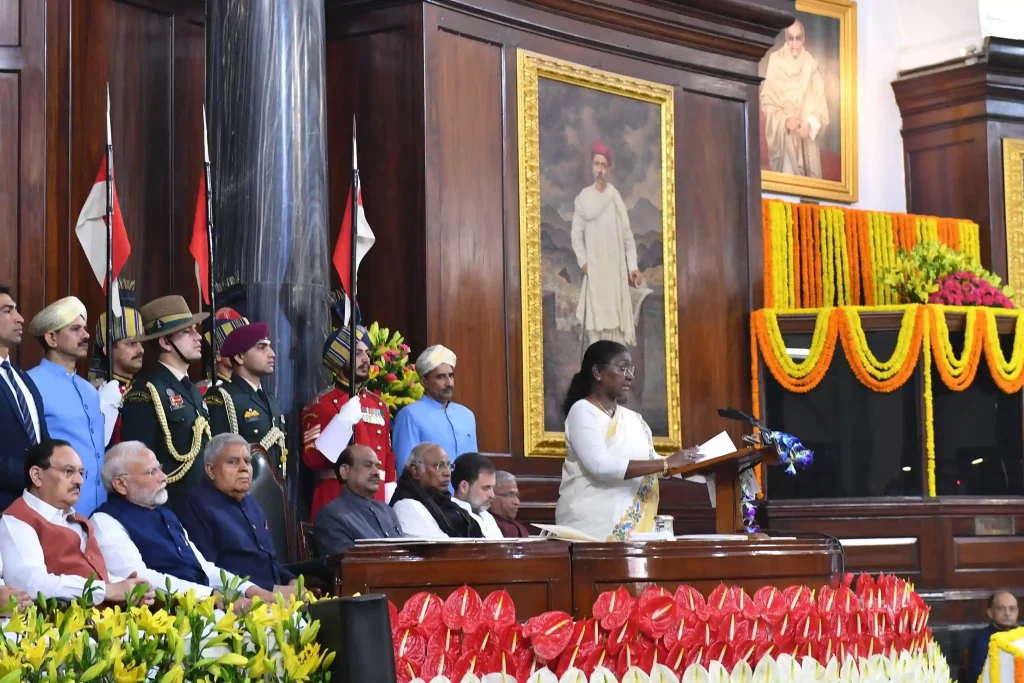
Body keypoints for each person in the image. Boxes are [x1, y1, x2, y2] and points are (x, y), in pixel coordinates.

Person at [91, 441, 275, 608]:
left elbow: (204, 568)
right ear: (121, 484)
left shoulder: (166, 514)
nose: (163, 477)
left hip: (207, 605)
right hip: (169, 616)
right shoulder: (105, 521)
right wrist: (211, 597)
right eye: (151, 472)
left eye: (160, 469)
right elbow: (140, 581)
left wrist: (250, 589)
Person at [555, 340, 696, 541]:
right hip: (592, 529)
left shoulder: (632, 418)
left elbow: (651, 461)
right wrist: (666, 463)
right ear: (598, 372)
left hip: (633, 532)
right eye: (622, 368)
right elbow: (600, 466)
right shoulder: (583, 411)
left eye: (631, 369)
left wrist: (694, 463)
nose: (630, 376)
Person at [0, 439, 154, 605]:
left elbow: (98, 577)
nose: (79, 480)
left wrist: (128, 588)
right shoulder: (16, 520)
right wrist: (107, 591)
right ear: (37, 476)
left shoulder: (79, 521)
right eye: (68, 471)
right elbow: (32, 584)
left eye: (81, 473)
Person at [174, 434, 297, 595]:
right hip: (240, 601)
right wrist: (272, 589)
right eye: (232, 462)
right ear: (211, 471)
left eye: (247, 461)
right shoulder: (195, 505)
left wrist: (292, 580)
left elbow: (267, 561)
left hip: (278, 595)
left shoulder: (252, 504)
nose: (244, 468)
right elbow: (208, 571)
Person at [120, 296, 212, 500]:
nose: (198, 337)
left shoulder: (192, 390)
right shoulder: (146, 391)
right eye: (187, 331)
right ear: (164, 342)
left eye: (195, 330)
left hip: (201, 503)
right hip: (170, 504)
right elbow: (137, 463)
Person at [302, 325, 395, 518]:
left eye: (367, 353)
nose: (366, 359)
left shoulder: (378, 405)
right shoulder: (320, 404)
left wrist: (390, 499)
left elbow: (387, 458)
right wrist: (341, 424)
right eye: (357, 353)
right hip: (338, 498)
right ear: (339, 358)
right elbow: (312, 459)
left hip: (376, 499)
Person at [27, 297, 108, 516]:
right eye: (75, 329)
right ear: (51, 338)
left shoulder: (89, 390)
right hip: (58, 511)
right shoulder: (30, 384)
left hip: (101, 510)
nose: (86, 335)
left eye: (85, 328)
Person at [571, 141, 643, 348]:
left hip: (614, 276)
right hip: (595, 275)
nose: (600, 170)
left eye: (604, 165)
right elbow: (576, 236)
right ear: (592, 167)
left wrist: (633, 267)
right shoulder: (584, 199)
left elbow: (628, 238)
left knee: (616, 339)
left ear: (609, 169)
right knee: (596, 337)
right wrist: (585, 264)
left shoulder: (614, 198)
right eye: (597, 164)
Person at [204, 322, 286, 470]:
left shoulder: (270, 399)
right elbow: (221, 457)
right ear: (239, 356)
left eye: (269, 346)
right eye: (261, 347)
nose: (272, 353)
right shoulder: (222, 397)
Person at [760, 20, 830, 178]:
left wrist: (810, 124)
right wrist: (785, 120)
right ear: (786, 39)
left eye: (798, 38)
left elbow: (821, 108)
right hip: (786, 140)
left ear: (803, 39)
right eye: (791, 38)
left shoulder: (811, 65)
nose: (794, 44)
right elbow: (768, 101)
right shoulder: (776, 62)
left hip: (808, 143)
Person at [392, 345, 477, 474]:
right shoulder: (409, 415)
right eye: (440, 377)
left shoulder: (466, 415)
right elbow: (406, 470)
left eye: (451, 376)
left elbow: (475, 467)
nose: (449, 383)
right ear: (424, 382)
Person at [0, 283, 48, 510]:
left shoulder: (22, 378)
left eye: (16, 310)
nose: (20, 318)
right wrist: (32, 475)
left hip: (37, 505)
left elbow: (40, 438)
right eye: (7, 311)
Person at [313, 444, 405, 555]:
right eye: (368, 465)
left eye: (377, 466)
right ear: (345, 471)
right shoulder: (331, 516)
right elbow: (348, 563)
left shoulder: (387, 511)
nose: (376, 472)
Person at [88, 288, 146, 447]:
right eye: (131, 343)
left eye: (141, 343)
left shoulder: (148, 390)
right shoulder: (94, 394)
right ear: (107, 349)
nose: (141, 350)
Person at [390, 442, 482, 539]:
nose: (447, 473)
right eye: (439, 466)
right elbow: (440, 546)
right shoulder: (406, 506)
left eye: (448, 465)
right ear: (415, 470)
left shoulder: (448, 502)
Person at [968, 591, 1019, 683]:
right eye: (1001, 608)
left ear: (1017, 612)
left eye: (1012, 609)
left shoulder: (1021, 635)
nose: (1007, 613)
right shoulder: (981, 640)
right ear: (990, 612)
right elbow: (979, 676)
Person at [451, 453, 503, 539]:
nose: (492, 495)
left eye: (492, 488)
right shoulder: (449, 517)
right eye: (486, 488)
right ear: (463, 487)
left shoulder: (487, 516)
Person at [490, 471, 531, 538]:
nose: (517, 502)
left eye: (517, 495)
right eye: (510, 495)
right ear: (491, 496)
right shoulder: (487, 526)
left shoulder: (515, 525)